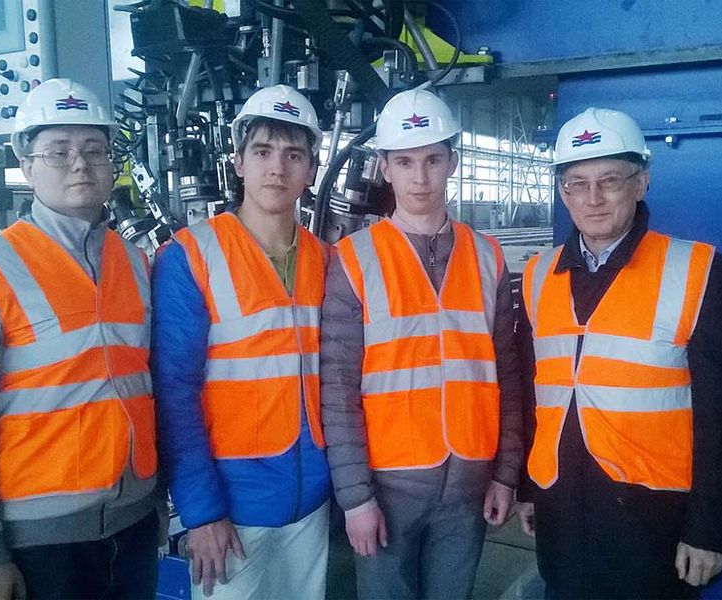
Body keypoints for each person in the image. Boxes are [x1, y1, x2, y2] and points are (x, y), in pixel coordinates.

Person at [0, 78, 162, 599]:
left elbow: (145, 389)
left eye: (94, 150)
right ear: (27, 166)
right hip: (37, 543)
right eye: (58, 151)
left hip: (133, 528)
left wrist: (154, 504)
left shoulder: (135, 263)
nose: (80, 164)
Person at [320, 88, 523, 599]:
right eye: (405, 162)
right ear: (384, 168)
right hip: (386, 488)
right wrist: (355, 499)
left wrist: (505, 474)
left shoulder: (489, 257)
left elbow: (507, 375)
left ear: (452, 162)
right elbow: (338, 391)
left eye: (433, 160)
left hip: (470, 482)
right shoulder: (354, 259)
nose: (420, 177)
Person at [517, 107, 722, 598]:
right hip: (561, 512)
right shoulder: (538, 275)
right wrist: (528, 487)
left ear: (641, 183)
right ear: (563, 192)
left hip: (654, 522)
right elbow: (532, 393)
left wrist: (709, 527)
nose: (592, 199)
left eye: (609, 180)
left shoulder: (698, 271)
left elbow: (718, 411)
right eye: (578, 183)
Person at [151, 84, 331, 600]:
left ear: (311, 169)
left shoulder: (326, 259)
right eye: (262, 151)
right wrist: (201, 511)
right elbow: (174, 394)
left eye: (293, 155)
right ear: (238, 162)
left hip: (313, 503)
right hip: (231, 509)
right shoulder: (191, 256)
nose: (277, 168)